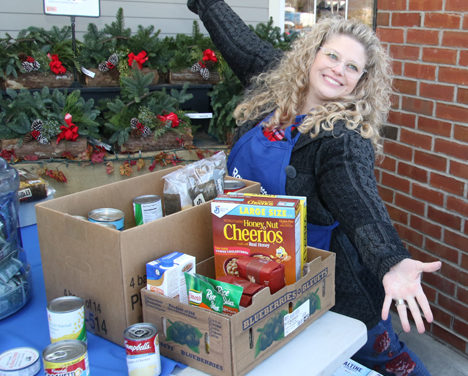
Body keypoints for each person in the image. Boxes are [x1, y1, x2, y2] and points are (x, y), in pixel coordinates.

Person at [187, 1, 442, 375]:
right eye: (333, 56)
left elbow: (360, 203)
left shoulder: (342, 136)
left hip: (335, 289)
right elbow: (240, 42)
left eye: (352, 67)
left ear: (362, 80)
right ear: (312, 54)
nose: (338, 70)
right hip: (252, 265)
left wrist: (392, 260)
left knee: (389, 361)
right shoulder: (279, 88)